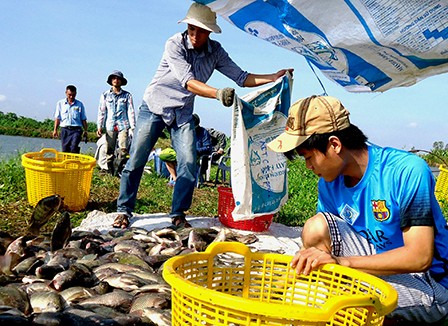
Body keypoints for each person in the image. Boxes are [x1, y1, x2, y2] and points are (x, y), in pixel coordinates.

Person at [267, 95, 448, 324]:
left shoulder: (406, 171)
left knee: (337, 304)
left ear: (334, 144)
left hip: (428, 281)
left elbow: (419, 257)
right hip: (373, 263)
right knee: (316, 228)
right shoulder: (329, 183)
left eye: (309, 157)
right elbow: (323, 244)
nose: (309, 166)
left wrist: (341, 264)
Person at [113, 2, 293, 229]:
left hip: (183, 112)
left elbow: (241, 77)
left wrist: (273, 77)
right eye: (192, 29)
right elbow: (188, 82)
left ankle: (178, 214)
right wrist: (218, 94)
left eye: (201, 31)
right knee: (137, 159)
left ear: (210, 32)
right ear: (187, 27)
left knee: (188, 163)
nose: (195, 35)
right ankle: (123, 210)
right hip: (155, 107)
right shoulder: (174, 44)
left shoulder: (215, 51)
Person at [97, 70, 135, 176]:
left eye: (118, 79)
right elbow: (102, 111)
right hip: (110, 125)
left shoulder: (127, 95)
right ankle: (110, 171)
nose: (116, 80)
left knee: (123, 150)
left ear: (121, 81)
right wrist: (99, 126)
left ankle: (117, 170)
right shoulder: (105, 95)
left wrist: (133, 127)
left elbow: (131, 111)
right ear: (111, 81)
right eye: (114, 78)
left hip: (123, 125)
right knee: (109, 149)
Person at [160, 114, 213, 187]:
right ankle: (175, 179)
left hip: (195, 156)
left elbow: (208, 148)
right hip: (180, 153)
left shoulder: (203, 132)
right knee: (165, 156)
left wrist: (194, 151)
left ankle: (186, 180)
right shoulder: (184, 130)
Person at [53, 85, 88, 153]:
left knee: (74, 147)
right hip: (65, 130)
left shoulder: (79, 104)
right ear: (66, 93)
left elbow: (83, 119)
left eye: (73, 95)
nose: (71, 97)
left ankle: (74, 162)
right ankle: (66, 163)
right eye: (69, 95)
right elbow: (58, 118)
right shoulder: (60, 104)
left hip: (76, 130)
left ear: (76, 94)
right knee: (65, 149)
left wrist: (85, 131)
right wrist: (55, 130)